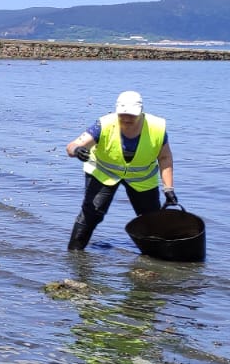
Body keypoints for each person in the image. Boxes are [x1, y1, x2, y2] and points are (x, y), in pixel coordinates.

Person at [64, 90, 175, 251]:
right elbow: (71, 146)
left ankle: (156, 257)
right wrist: (77, 150)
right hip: (103, 174)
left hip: (142, 178)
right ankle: (74, 253)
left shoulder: (157, 128)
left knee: (151, 220)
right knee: (91, 214)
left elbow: (164, 158)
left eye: (132, 115)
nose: (127, 118)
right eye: (123, 114)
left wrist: (168, 189)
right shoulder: (104, 124)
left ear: (141, 112)